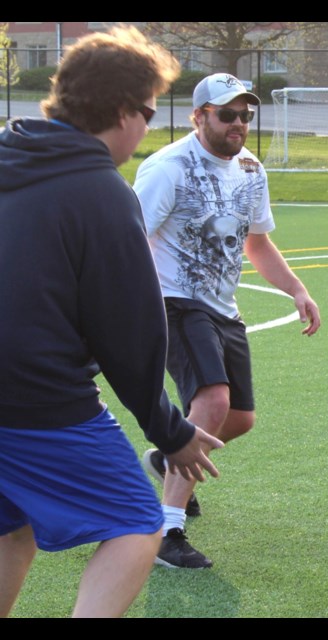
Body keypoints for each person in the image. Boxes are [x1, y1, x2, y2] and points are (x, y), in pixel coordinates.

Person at [0, 25, 221, 618]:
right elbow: (129, 331)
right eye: (148, 112)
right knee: (134, 522)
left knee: (10, 529)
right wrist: (169, 431)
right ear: (123, 111)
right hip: (37, 403)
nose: (146, 128)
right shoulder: (98, 190)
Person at [133, 72, 321, 570]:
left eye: (246, 114)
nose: (239, 123)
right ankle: (166, 531)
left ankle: (168, 454)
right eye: (227, 114)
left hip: (222, 306)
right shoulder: (167, 168)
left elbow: (256, 243)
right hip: (172, 300)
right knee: (213, 400)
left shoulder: (251, 169)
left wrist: (297, 289)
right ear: (199, 117)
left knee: (238, 418)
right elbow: (128, 242)